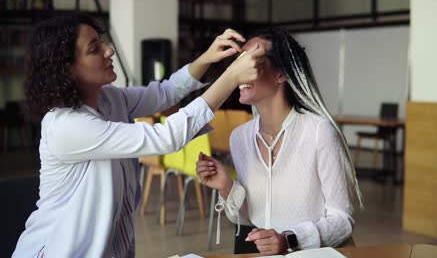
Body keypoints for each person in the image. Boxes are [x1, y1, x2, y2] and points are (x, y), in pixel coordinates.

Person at [13, 13, 265, 257]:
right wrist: (230, 77)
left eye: (102, 42)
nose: (108, 50)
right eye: (94, 49)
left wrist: (206, 59)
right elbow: (167, 136)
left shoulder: (109, 99)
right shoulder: (66, 126)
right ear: (67, 69)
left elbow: (164, 93)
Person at [196, 28, 363, 255]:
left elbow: (342, 220)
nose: (239, 71)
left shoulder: (319, 132)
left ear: (281, 75)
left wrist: (290, 240)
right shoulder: (240, 137)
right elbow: (249, 218)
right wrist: (226, 186)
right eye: (238, 62)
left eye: (252, 60)